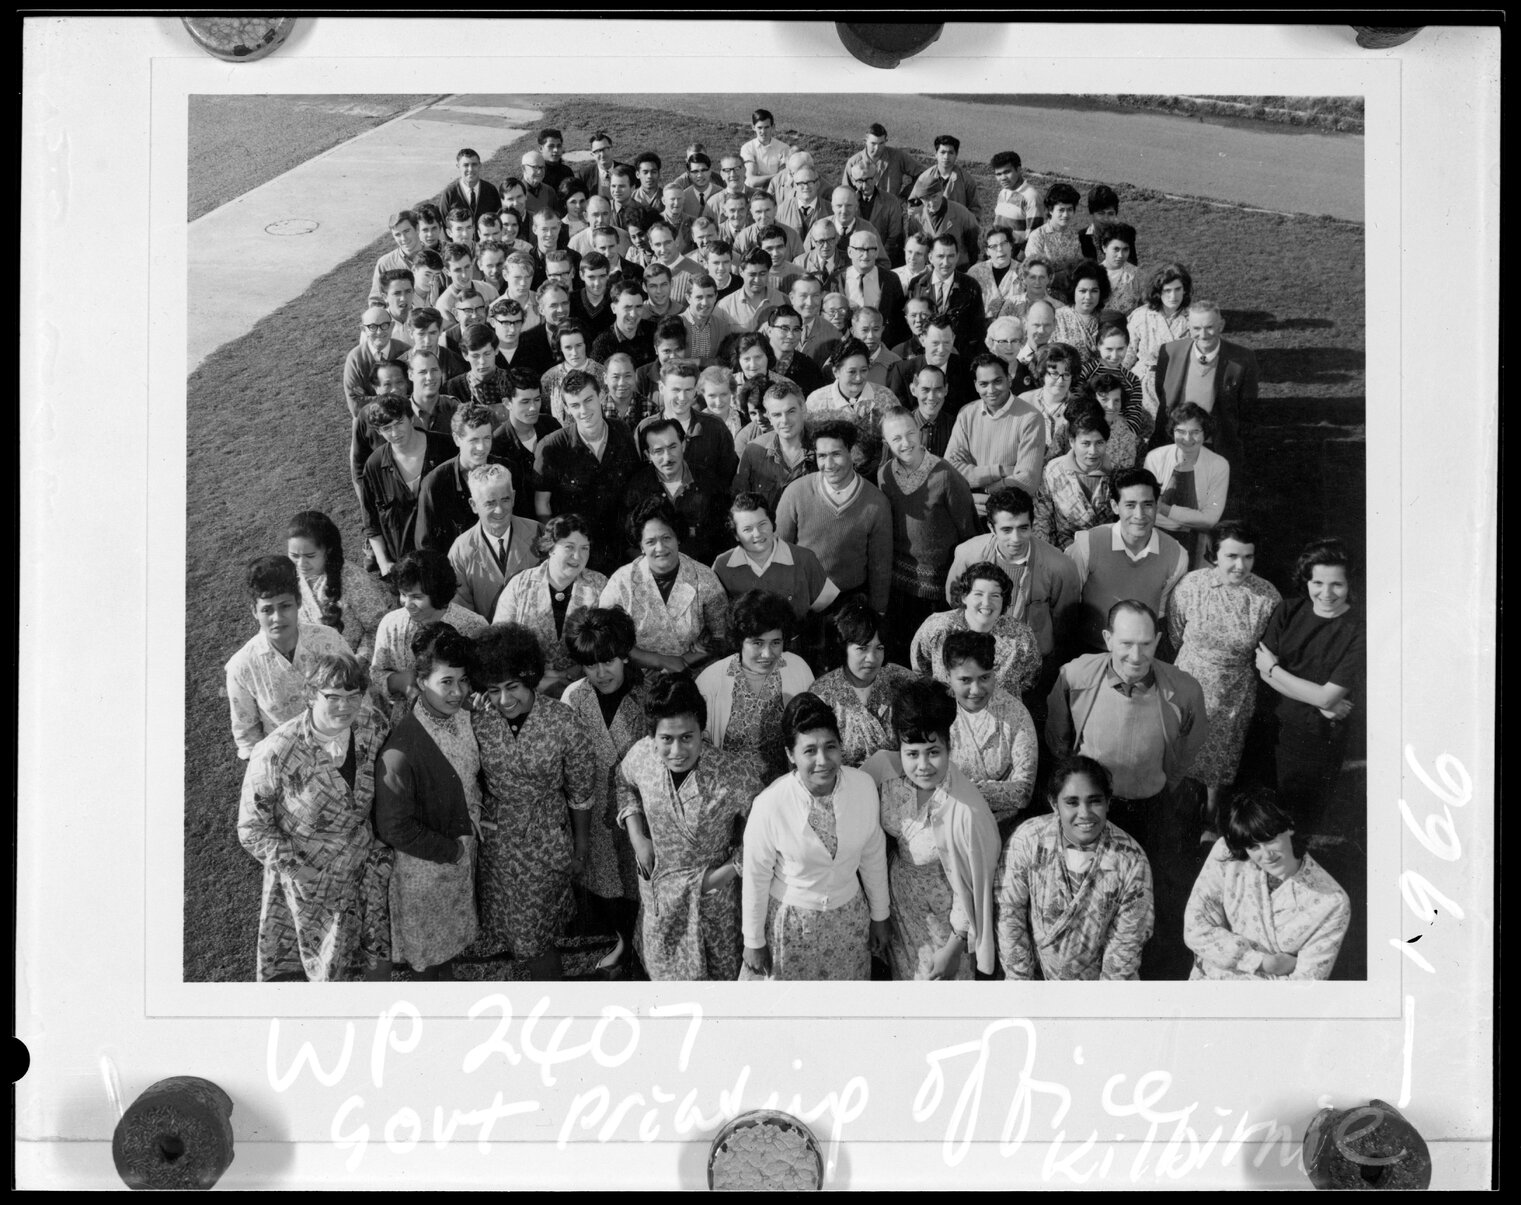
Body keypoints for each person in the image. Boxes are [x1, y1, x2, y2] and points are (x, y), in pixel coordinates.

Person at [1046, 599, 1207, 976]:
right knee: (1085, 887)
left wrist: (1166, 780)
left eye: (1146, 643)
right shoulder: (1075, 676)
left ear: (1159, 640)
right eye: (1126, 643)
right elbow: (1059, 737)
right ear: (1107, 639)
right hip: (1095, 812)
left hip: (1151, 808)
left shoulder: (1184, 689)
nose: (1136, 654)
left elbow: (1189, 746)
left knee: (1145, 894)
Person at [237, 652, 392, 982]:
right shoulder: (276, 751)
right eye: (333, 697)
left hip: (365, 869)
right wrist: (298, 869)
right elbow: (252, 828)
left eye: (354, 697)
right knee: (328, 972)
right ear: (310, 695)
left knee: (375, 966)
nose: (345, 707)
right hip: (313, 881)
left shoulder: (374, 726)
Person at [616, 673, 768, 980]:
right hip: (661, 895)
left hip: (713, 900)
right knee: (664, 982)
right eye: (666, 739)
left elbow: (765, 831)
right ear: (653, 736)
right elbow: (623, 782)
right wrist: (637, 836)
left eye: (687, 737)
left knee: (719, 985)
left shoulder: (731, 773)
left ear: (702, 731)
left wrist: (724, 874)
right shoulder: (642, 757)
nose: (677, 751)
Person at [469, 623, 595, 979]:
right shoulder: (478, 719)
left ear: (532, 680)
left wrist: (581, 848)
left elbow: (581, 793)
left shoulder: (564, 721)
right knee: (510, 929)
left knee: (535, 935)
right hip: (497, 842)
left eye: (513, 688)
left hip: (546, 839)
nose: (505, 700)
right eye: (494, 690)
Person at [740, 693, 892, 981]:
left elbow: (873, 855)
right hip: (792, 926)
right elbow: (756, 875)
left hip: (849, 923)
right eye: (809, 751)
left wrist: (880, 915)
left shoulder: (862, 786)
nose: (823, 760)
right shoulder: (770, 803)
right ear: (790, 755)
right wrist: (753, 940)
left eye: (830, 747)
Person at [860, 679, 1000, 980]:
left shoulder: (966, 809)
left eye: (933, 752)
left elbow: (974, 881)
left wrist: (956, 943)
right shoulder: (883, 771)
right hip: (898, 905)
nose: (922, 765)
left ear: (950, 745)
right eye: (912, 753)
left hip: (945, 915)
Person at [372, 623, 481, 980]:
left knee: (446, 957)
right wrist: (452, 852)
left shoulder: (465, 719)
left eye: (463, 681)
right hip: (425, 874)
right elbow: (394, 827)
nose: (457, 692)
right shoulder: (402, 749)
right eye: (446, 682)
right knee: (428, 968)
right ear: (420, 683)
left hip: (457, 863)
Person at [1167, 521, 1281, 838]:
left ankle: (1211, 821)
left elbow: (1268, 648)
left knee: (1220, 762)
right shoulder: (1191, 586)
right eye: (1231, 556)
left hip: (1236, 689)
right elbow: (1176, 633)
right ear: (1213, 554)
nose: (1240, 565)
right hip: (1190, 680)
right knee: (1179, 752)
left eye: (1248, 557)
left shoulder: (1266, 597)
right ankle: (1172, 818)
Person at [995, 755, 1155, 980]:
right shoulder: (1028, 840)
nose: (1085, 813)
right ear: (1054, 803)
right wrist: (1022, 987)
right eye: (1072, 802)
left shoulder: (1130, 859)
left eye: (1095, 801)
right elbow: (1009, 914)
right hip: (1035, 983)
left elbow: (1125, 947)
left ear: (1108, 801)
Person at [1256, 538, 1364, 836]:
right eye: (1317, 582)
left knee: (1299, 823)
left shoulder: (1359, 629)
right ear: (1306, 580)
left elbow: (1273, 671)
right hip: (1273, 729)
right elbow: (1262, 673)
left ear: (1349, 584)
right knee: (1262, 819)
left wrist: (1276, 670)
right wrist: (1319, 700)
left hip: (1317, 738)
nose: (1326, 593)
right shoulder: (1288, 611)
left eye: (1337, 585)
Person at [1184, 788, 1351, 980]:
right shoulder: (1227, 854)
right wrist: (1263, 963)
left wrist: (1221, 956)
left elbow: (1305, 984)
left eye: (1270, 840)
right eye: (1253, 846)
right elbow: (1194, 929)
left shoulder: (1332, 901)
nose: (1267, 855)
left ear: (1290, 827)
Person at [560, 607, 646, 978]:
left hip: (642, 816)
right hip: (592, 814)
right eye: (591, 665)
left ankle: (645, 952)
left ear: (624, 654)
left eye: (609, 660)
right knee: (607, 889)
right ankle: (623, 943)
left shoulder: (649, 694)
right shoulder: (574, 697)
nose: (601, 673)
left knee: (642, 888)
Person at [946, 486, 1083, 684]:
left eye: (1023, 528)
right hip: (976, 659)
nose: (1016, 539)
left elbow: (1065, 624)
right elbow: (956, 601)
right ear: (991, 528)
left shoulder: (1060, 567)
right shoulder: (968, 555)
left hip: (1033, 666)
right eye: (1006, 530)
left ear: (1032, 524)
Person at [876, 405, 979, 663]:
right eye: (896, 438)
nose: (905, 442)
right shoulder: (885, 474)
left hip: (939, 589)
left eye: (910, 434)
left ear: (920, 433)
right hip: (900, 587)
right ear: (885, 442)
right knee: (901, 654)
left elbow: (970, 532)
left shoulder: (946, 475)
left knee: (937, 657)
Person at [226, 556, 351, 760]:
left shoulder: (329, 640)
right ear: (254, 611)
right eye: (267, 609)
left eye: (285, 606)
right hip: (286, 767)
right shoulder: (241, 667)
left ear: (298, 602)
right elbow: (248, 738)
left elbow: (359, 695)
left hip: (343, 750)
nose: (277, 618)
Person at [774, 419, 894, 615]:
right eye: (822, 456)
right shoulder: (796, 492)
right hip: (804, 600)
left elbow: (880, 565)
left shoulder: (877, 503)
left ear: (853, 453)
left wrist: (878, 611)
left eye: (836, 454)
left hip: (851, 604)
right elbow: (778, 553)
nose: (828, 464)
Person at [599, 495, 729, 675]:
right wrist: (660, 661)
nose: (660, 548)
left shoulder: (705, 578)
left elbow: (721, 636)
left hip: (693, 674)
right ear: (641, 546)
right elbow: (607, 638)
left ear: (678, 538)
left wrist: (684, 662)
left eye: (666, 538)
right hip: (636, 678)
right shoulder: (621, 582)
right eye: (650, 542)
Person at [696, 589, 816, 779]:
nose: (767, 654)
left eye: (775, 642)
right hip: (730, 788)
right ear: (739, 641)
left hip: (786, 787)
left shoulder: (798, 669)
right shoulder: (710, 680)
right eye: (757, 643)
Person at [531, 370, 642, 577]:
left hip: (621, 548)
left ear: (601, 396)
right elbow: (542, 504)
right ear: (566, 408)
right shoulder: (551, 447)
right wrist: (556, 547)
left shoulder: (623, 432)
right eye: (574, 405)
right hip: (576, 553)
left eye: (588, 400)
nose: (583, 410)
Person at [1066, 467, 1189, 652]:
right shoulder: (1087, 544)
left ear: (1157, 504)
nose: (1139, 515)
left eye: (1147, 504)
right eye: (1130, 505)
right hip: (1088, 651)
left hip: (1140, 657)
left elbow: (1162, 610)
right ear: (1115, 506)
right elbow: (1068, 601)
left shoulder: (1177, 554)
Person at [491, 513, 608, 697]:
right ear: (550, 548)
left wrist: (575, 673)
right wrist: (537, 678)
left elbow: (606, 645)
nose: (577, 556)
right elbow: (499, 643)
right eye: (569, 547)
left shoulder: (599, 585)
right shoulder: (520, 584)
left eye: (585, 548)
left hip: (583, 689)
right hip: (527, 688)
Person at [941, 630, 1039, 830]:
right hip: (947, 822)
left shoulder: (1015, 713)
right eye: (965, 680)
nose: (976, 690)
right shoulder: (936, 712)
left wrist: (962, 790)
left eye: (985, 678)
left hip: (1004, 826)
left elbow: (1023, 792)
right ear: (947, 676)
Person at [1149, 299, 1257, 479]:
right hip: (1175, 443)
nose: (1203, 334)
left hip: (1217, 446)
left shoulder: (1242, 359)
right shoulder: (1169, 352)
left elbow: (1247, 408)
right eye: (1196, 328)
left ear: (1221, 325)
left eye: (1209, 327)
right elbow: (1163, 392)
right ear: (1189, 326)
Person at [369, 549, 489, 711]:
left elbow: (489, 681)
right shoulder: (391, 624)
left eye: (417, 597)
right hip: (409, 723)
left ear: (438, 593)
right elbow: (376, 674)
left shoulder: (475, 626)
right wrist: (399, 681)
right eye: (403, 594)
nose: (406, 603)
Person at [808, 599, 917, 768]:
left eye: (879, 648)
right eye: (862, 648)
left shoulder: (903, 681)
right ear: (843, 648)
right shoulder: (822, 694)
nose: (872, 658)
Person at [359, 394, 457, 582]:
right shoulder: (374, 466)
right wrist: (383, 563)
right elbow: (371, 523)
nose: (395, 433)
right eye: (387, 428)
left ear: (411, 418)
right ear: (378, 432)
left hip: (449, 560)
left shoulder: (447, 448)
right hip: (405, 572)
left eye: (399, 423)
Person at [911, 562, 1042, 701]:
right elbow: (921, 668)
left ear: (1004, 601)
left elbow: (1029, 681)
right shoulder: (937, 627)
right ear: (964, 597)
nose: (986, 603)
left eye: (995, 596)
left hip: (1001, 715)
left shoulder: (1021, 636)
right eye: (978, 594)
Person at [712, 491, 838, 622]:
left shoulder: (805, 559)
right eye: (747, 529)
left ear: (772, 523)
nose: (757, 534)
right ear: (736, 535)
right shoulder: (722, 565)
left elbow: (825, 608)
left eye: (762, 524)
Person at [944, 352, 1047, 507]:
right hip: (971, 510)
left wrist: (983, 491)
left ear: (1009, 380)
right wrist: (1002, 471)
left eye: (997, 381)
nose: (991, 390)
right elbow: (951, 472)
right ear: (976, 385)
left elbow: (1027, 482)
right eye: (984, 384)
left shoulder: (1031, 418)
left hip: (1011, 513)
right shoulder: (967, 414)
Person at [623, 416, 727, 565]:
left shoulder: (709, 484)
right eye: (658, 451)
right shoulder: (636, 489)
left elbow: (722, 539)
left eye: (672, 447)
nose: (667, 457)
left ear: (683, 445)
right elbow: (629, 543)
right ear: (648, 455)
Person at [447, 464, 541, 621]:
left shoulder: (537, 533)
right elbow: (460, 612)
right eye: (490, 503)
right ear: (474, 505)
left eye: (505, 500)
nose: (499, 510)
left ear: (514, 497)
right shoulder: (461, 550)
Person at [414, 403, 509, 554]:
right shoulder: (435, 483)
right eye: (474, 440)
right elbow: (426, 543)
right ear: (457, 439)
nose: (481, 447)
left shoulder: (508, 471)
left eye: (487, 438)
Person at [1145, 402, 1230, 566]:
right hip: (1156, 533)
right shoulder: (1155, 458)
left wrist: (1165, 509)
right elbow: (1148, 507)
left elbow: (1210, 520)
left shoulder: (1219, 465)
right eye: (1181, 431)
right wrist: (1192, 517)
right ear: (1172, 432)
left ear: (1206, 433)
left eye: (1195, 432)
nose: (1188, 439)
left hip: (1197, 536)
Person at [1035, 401, 1115, 551]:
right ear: (1072, 442)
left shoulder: (1115, 474)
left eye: (1099, 443)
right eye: (1085, 443)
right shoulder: (1053, 471)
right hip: (1063, 552)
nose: (1093, 451)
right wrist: (1047, 554)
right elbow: (1042, 517)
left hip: (1105, 552)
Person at [1126, 262, 1193, 425]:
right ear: (1158, 292)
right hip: (1144, 381)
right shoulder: (1141, 315)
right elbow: (1129, 352)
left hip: (1178, 382)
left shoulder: (1192, 318)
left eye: (1178, 289)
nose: (1173, 296)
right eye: (1167, 291)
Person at [905, 232, 986, 349]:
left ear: (957, 257)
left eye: (951, 256)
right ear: (930, 257)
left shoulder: (971, 286)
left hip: (958, 357)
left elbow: (978, 330)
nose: (946, 262)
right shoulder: (917, 285)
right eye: (940, 256)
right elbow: (909, 326)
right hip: (924, 354)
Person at [286, 510, 349, 638]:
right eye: (294, 556)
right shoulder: (288, 582)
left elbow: (377, 626)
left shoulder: (352, 577)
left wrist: (361, 656)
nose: (301, 564)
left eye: (310, 556)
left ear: (328, 549)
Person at [1021, 341, 1085, 462]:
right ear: (1042, 373)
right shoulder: (1023, 401)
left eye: (1066, 374)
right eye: (1054, 373)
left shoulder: (1081, 407)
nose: (1061, 381)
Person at [342, 304, 410, 418]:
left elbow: (415, 392)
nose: (379, 332)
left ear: (392, 326)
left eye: (384, 325)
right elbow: (356, 405)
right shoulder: (355, 359)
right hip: (369, 423)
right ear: (363, 329)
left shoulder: (406, 352)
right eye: (372, 327)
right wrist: (396, 399)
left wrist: (376, 400)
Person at [905, 180, 981, 271]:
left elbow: (974, 244)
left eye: (934, 197)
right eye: (926, 199)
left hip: (959, 267)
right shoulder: (916, 217)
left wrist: (972, 269)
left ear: (941, 192)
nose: (931, 203)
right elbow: (914, 245)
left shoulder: (961, 213)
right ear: (921, 199)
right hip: (931, 269)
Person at [841, 122, 922, 201]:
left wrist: (905, 195)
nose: (877, 148)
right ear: (864, 141)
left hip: (890, 210)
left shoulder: (897, 157)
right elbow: (845, 193)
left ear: (886, 140)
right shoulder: (853, 162)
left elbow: (923, 173)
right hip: (862, 211)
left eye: (881, 143)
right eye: (873, 143)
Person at [989, 150, 1045, 256]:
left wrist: (1019, 261)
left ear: (1019, 170)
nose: (1003, 178)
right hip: (998, 251)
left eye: (1007, 172)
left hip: (1016, 255)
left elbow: (1034, 235)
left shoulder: (1031, 196)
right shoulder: (1002, 193)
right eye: (998, 174)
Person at [1024, 182, 1084, 279]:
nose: (1065, 215)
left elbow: (1080, 266)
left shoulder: (1073, 235)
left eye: (1069, 209)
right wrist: (1065, 275)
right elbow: (1034, 273)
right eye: (1061, 210)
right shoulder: (1038, 236)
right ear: (1051, 210)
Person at [967, 226, 1025, 323]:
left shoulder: (1023, 271)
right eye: (993, 246)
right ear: (987, 251)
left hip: (1015, 330)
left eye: (1004, 243)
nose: (1000, 249)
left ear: (1011, 245)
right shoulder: (975, 272)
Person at [1051, 260, 1112, 354]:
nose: (1088, 297)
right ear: (1073, 291)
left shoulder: (1108, 318)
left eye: (1094, 291)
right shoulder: (1057, 318)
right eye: (1082, 291)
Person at [1096, 222, 1144, 316]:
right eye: (1116, 249)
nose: (1120, 255)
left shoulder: (1137, 275)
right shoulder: (1092, 274)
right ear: (1104, 248)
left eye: (1125, 249)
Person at [740, 108, 794, 189]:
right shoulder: (747, 148)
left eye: (766, 127)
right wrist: (777, 176)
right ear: (753, 127)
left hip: (776, 191)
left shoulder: (784, 148)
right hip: (753, 193)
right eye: (759, 128)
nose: (763, 131)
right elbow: (752, 181)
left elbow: (782, 180)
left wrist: (761, 179)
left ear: (773, 127)